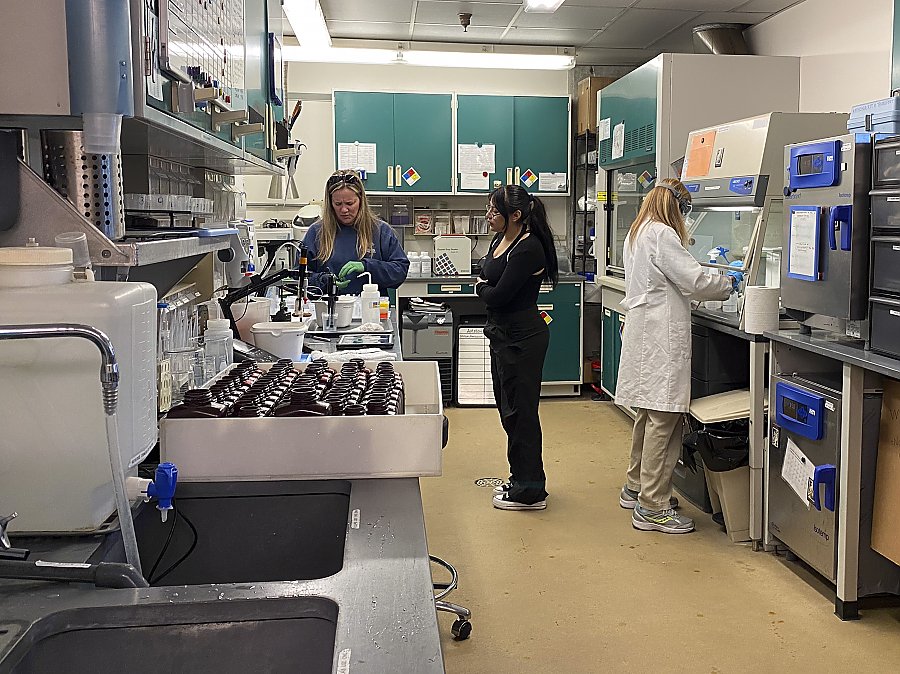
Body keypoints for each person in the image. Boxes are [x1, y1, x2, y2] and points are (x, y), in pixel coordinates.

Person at [615, 178, 742, 534]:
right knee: (665, 421)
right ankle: (652, 507)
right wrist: (729, 282)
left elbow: (669, 283)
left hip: (645, 331)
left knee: (647, 415)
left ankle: (636, 487)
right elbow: (695, 280)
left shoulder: (639, 232)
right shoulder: (662, 235)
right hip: (660, 337)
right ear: (678, 208)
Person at [476, 185, 559, 511]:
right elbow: (488, 278)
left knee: (522, 413)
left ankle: (530, 491)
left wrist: (482, 288)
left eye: (494, 212)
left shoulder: (528, 249)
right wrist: (486, 286)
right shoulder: (501, 240)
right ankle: (521, 476)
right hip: (502, 335)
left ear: (516, 215)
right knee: (509, 412)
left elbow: (498, 295)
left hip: (523, 339)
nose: (488, 217)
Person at [303, 170, 409, 296]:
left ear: (361, 201)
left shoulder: (380, 231)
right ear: (330, 203)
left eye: (350, 203)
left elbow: (400, 271)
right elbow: (298, 278)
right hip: (329, 309)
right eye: (338, 204)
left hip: (370, 309)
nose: (344, 209)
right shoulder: (316, 233)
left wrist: (368, 267)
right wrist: (325, 281)